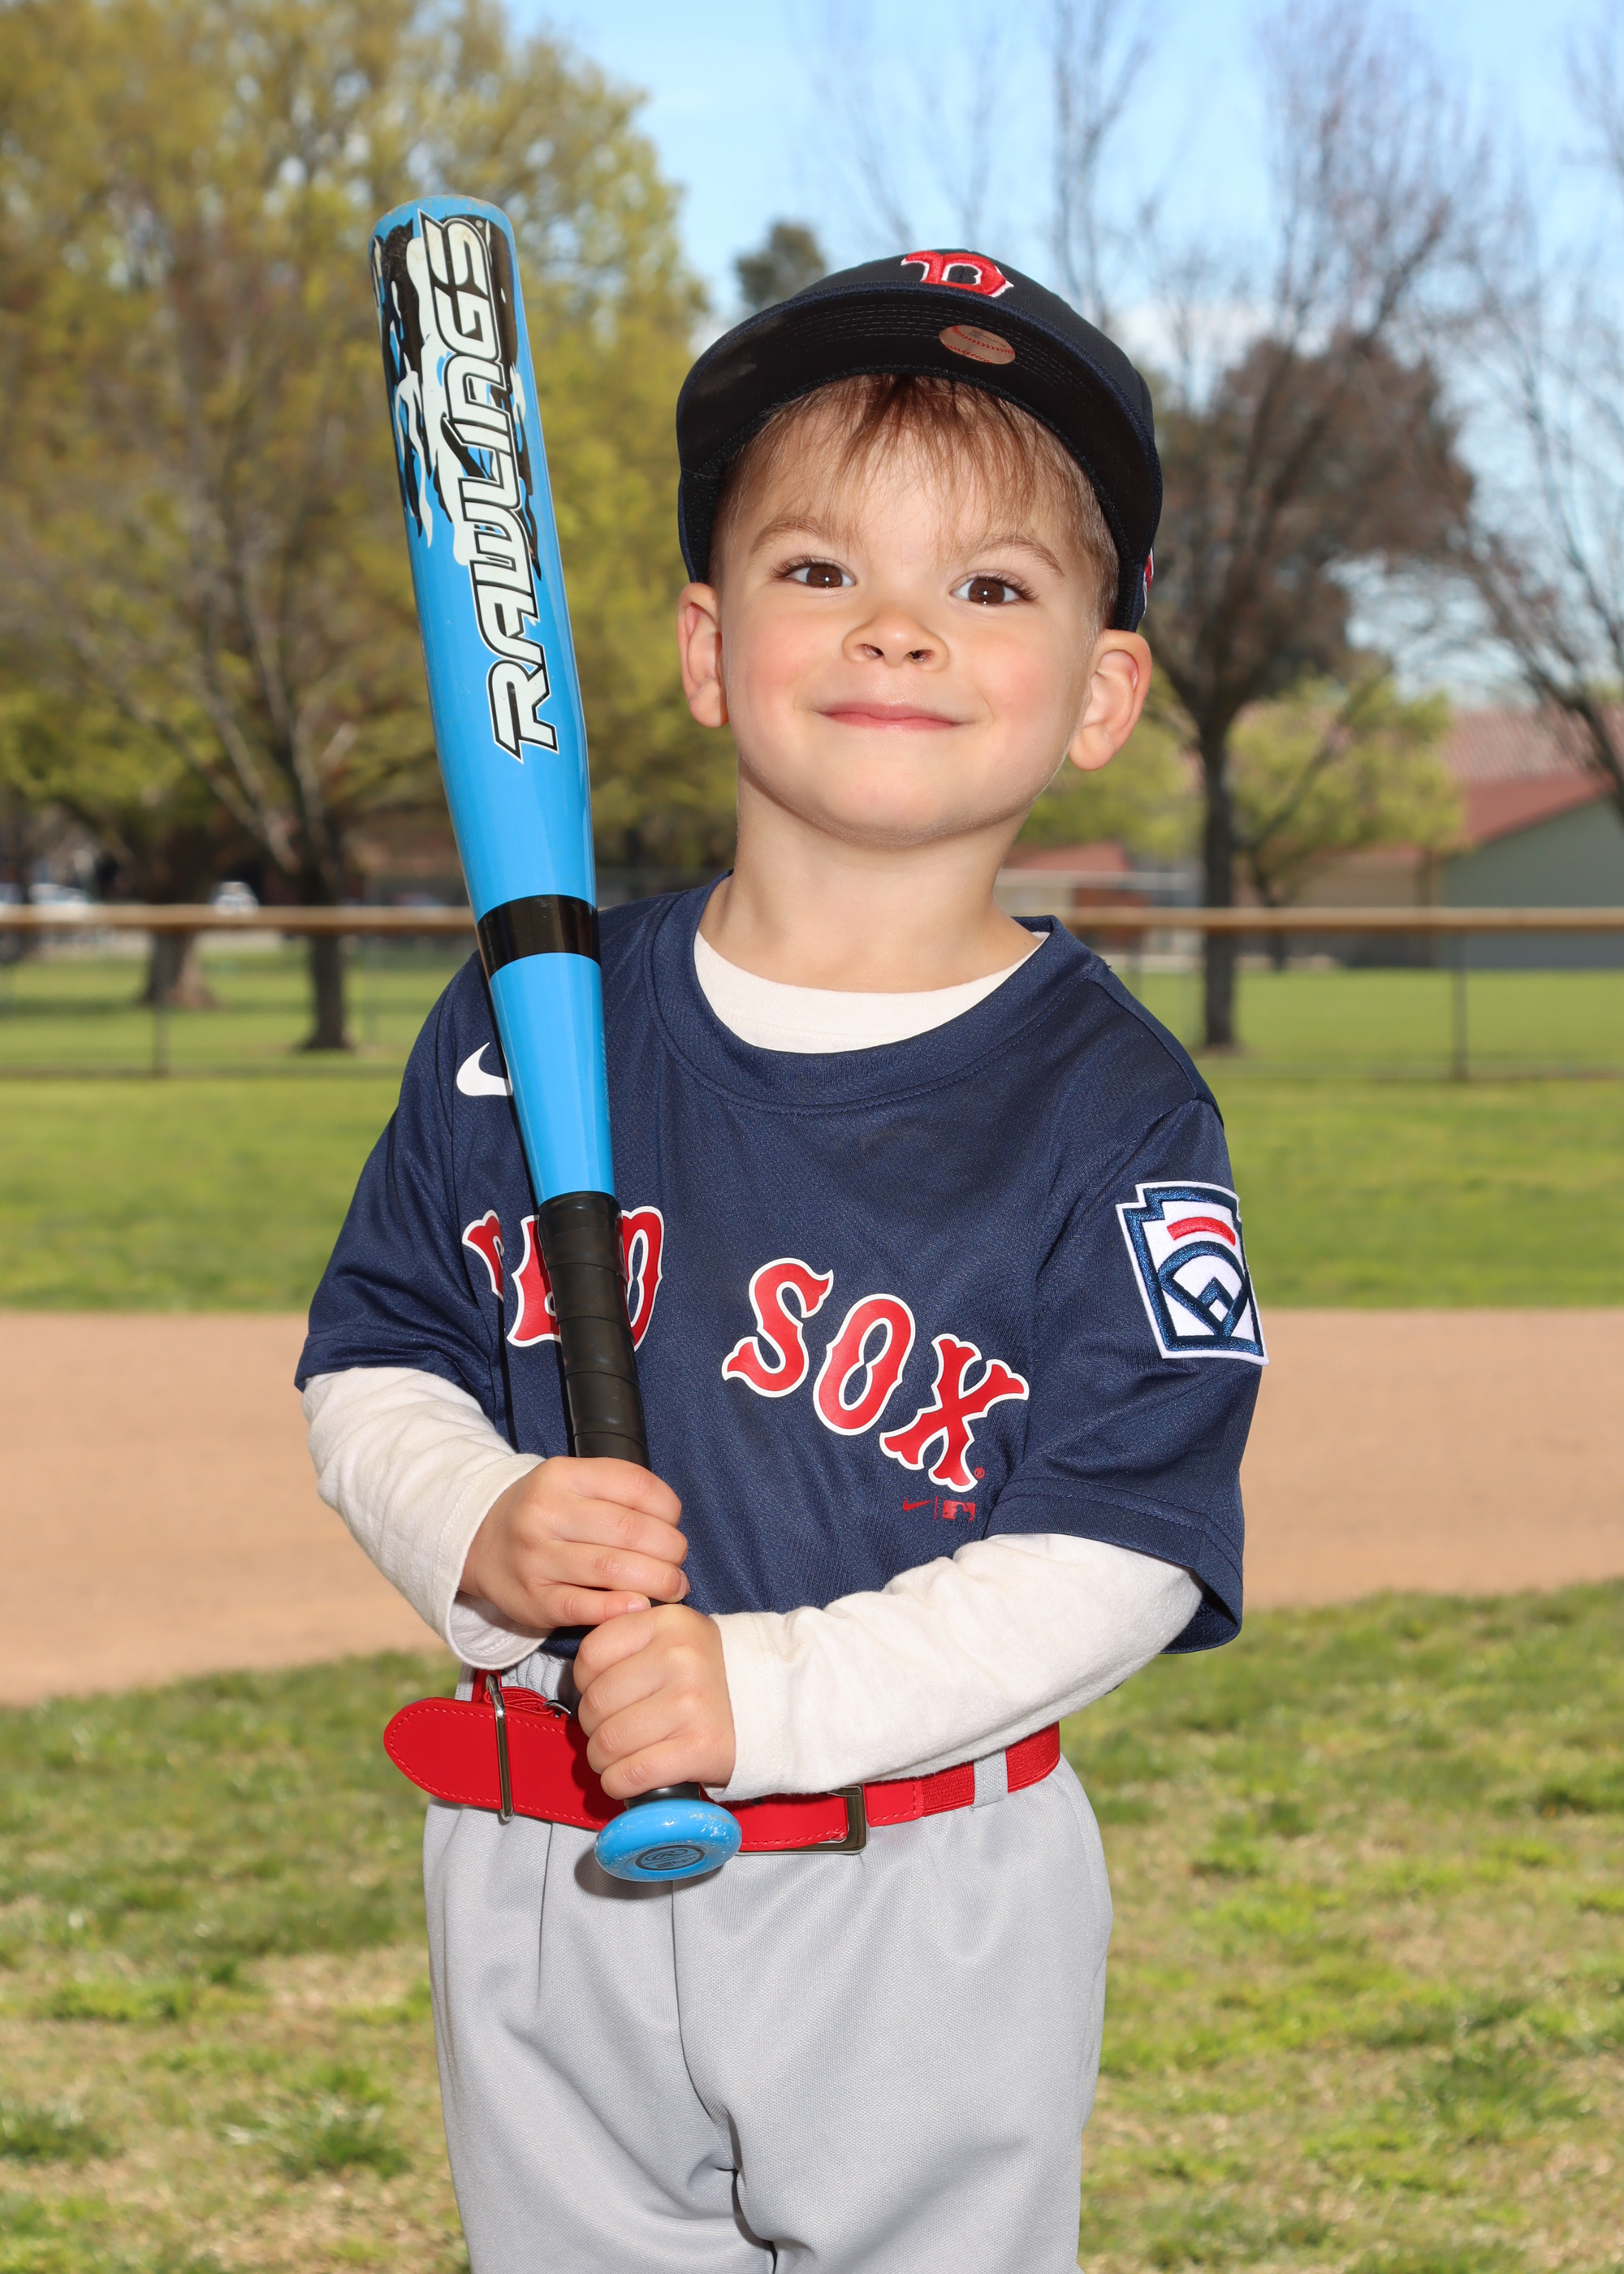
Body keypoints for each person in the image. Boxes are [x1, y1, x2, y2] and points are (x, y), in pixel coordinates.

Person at [299, 249, 1264, 2274]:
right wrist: (476, 1518)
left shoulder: (1113, 1107)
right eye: (819, 567)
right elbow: (376, 1350)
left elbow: (1120, 1542)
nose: (897, 624)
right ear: (707, 645)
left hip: (912, 1880)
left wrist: (765, 1689)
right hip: (541, 1859)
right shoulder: (528, 1012)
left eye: (987, 583)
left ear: (1101, 691)